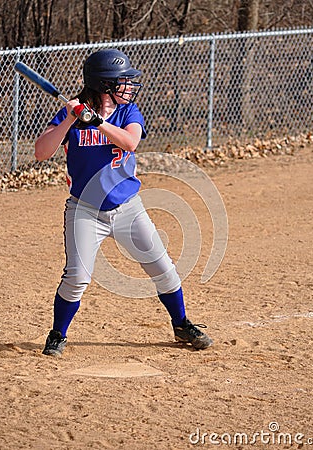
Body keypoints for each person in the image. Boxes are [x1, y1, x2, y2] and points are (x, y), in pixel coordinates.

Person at [35, 48, 213, 356]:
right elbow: (41, 151)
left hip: (128, 207)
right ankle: (57, 334)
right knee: (77, 276)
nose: (128, 86)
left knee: (164, 268)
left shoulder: (128, 113)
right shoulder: (72, 115)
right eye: (121, 81)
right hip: (85, 211)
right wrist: (68, 119)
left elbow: (130, 141)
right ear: (104, 85)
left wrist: (97, 122)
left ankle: (181, 323)